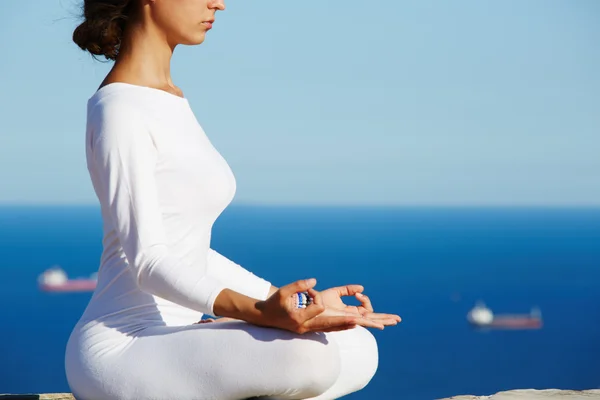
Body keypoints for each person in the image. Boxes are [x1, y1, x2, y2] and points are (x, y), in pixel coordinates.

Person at [64, 1, 401, 399]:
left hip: (177, 337)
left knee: (358, 346)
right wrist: (261, 313)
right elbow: (149, 262)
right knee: (312, 360)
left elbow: (192, 250)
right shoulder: (119, 109)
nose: (218, 3)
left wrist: (294, 304)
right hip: (124, 345)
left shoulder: (168, 98)